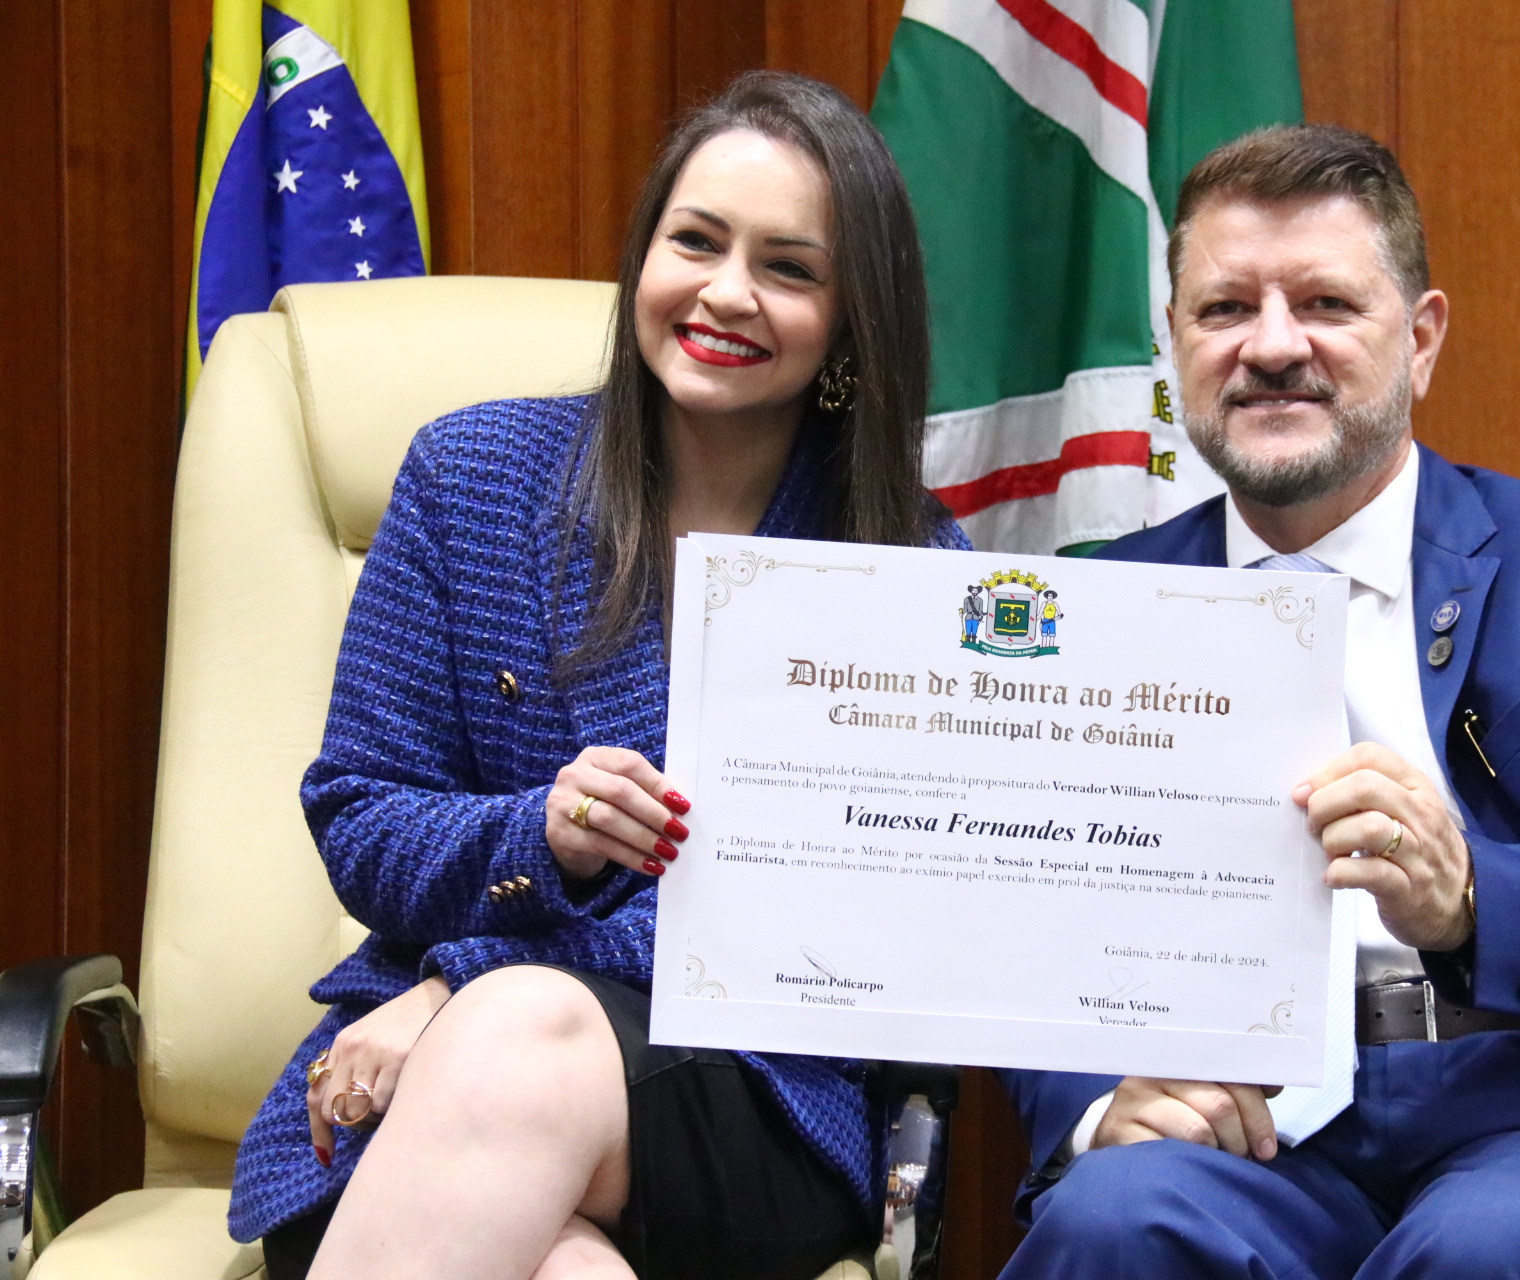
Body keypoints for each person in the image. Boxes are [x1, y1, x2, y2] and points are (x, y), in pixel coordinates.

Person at [995, 124, 1520, 1279]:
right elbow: (1024, 927)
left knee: (1492, 1246)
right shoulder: (1099, 606)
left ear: (1422, 338)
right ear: (1174, 342)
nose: (1272, 345)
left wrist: (1477, 898)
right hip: (1257, 1130)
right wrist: (1098, 1101)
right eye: (1226, 308)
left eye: (1326, 304)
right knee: (1111, 1216)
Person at [226, 71, 967, 1280]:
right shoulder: (469, 475)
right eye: (696, 241)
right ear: (643, 258)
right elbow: (360, 818)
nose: (726, 291)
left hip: (747, 1093)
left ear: (849, 321)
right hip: (422, 1100)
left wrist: (464, 986)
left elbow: (833, 914)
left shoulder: (908, 565)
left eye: (788, 268)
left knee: (522, 1028)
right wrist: (546, 837)